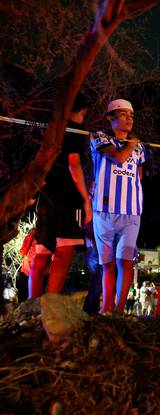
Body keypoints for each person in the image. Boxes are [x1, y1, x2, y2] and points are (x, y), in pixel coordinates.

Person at [29, 92, 92, 299]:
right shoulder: (77, 131)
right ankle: (50, 305)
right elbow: (74, 164)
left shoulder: (50, 128)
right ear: (82, 110)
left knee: (42, 253)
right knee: (64, 252)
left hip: (45, 195)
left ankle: (32, 304)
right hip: (67, 198)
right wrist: (85, 199)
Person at [90, 99, 146, 313]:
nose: (129, 119)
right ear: (110, 118)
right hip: (104, 211)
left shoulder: (140, 148)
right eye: (123, 114)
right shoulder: (99, 137)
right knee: (108, 264)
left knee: (125, 262)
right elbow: (120, 158)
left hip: (131, 212)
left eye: (131, 115)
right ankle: (107, 308)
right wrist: (131, 143)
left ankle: (119, 309)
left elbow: (138, 175)